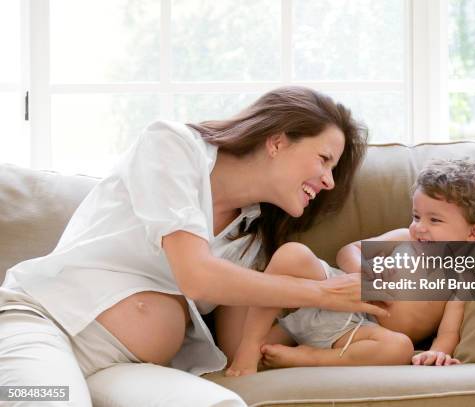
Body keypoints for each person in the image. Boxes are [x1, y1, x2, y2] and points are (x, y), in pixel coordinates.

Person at [0, 86, 388, 407]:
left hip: (125, 368)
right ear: (277, 141)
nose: (329, 182)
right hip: (47, 326)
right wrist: (322, 293)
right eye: (324, 160)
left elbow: (241, 345)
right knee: (47, 400)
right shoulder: (173, 147)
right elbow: (198, 277)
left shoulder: (252, 236)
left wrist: (342, 330)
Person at [227, 159, 475, 374]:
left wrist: (438, 353)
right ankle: (250, 346)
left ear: (474, 233)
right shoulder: (404, 238)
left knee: (400, 348)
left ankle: (310, 357)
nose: (419, 227)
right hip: (329, 297)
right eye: (417, 216)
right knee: (292, 254)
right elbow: (348, 250)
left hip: (360, 334)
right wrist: (363, 272)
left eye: (435, 221)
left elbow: (449, 331)